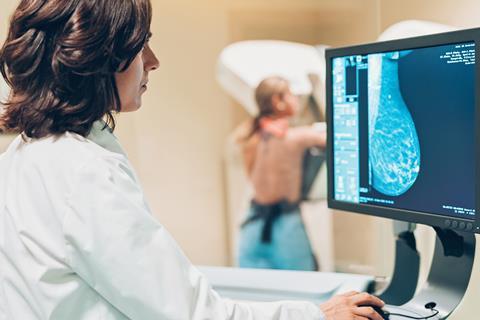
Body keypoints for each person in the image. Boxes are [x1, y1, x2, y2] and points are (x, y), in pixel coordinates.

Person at [0, 1, 385, 319]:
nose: (153, 61)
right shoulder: (82, 171)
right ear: (97, 56)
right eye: (140, 46)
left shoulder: (22, 156)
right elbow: (194, 314)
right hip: (276, 226)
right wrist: (317, 317)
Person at [237, 76, 325, 271]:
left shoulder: (248, 136)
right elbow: (338, 138)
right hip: (285, 225)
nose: (296, 100)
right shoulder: (295, 137)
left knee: (256, 289)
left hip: (253, 223)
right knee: (304, 284)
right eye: (292, 95)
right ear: (278, 101)